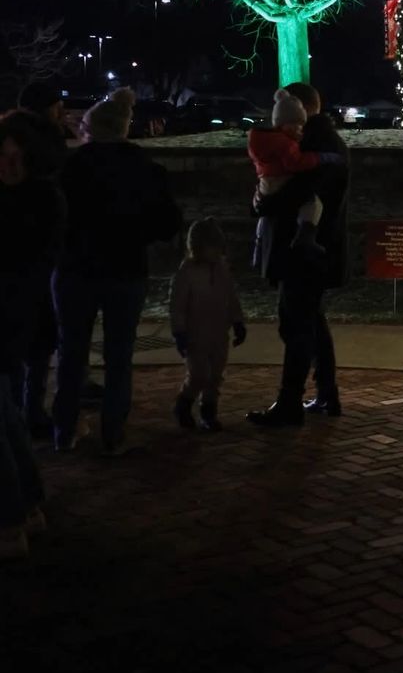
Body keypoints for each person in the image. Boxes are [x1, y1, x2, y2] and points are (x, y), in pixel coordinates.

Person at [52, 88, 183, 454]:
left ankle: (64, 430)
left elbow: (53, 218)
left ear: (91, 128)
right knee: (119, 354)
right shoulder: (146, 169)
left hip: (75, 268)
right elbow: (167, 223)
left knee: (72, 351)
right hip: (125, 269)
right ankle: (113, 431)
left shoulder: (69, 167)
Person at [247, 82, 350, 427]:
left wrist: (265, 204)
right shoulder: (317, 141)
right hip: (310, 251)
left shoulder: (318, 145)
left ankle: (291, 401)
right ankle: (325, 393)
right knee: (311, 321)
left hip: (303, 253)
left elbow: (301, 192)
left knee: (297, 324)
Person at [0, 114, 62, 558]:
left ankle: (10, 520)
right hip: (21, 316)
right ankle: (31, 503)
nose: (8, 166)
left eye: (15, 158)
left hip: (13, 316)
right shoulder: (44, 197)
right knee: (7, 415)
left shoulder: (35, 200)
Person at [9, 84, 69, 437]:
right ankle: (28, 412)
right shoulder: (45, 151)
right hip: (35, 261)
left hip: (27, 260)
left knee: (24, 345)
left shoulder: (26, 143)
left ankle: (20, 411)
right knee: (35, 344)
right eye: (56, 109)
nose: (62, 115)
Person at [170, 218, 247, 433]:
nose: (216, 253)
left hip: (219, 332)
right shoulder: (187, 273)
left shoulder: (221, 269)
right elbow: (178, 305)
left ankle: (208, 412)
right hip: (196, 334)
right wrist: (179, 332)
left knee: (216, 375)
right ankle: (184, 403)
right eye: (212, 247)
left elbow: (231, 297)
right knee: (199, 374)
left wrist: (237, 321)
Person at [248, 89, 334, 258]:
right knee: (313, 203)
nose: (299, 129)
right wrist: (319, 158)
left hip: (268, 189)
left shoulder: (266, 140)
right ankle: (305, 236)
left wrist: (261, 201)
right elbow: (297, 166)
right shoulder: (290, 143)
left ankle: (258, 244)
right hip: (289, 238)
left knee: (263, 213)